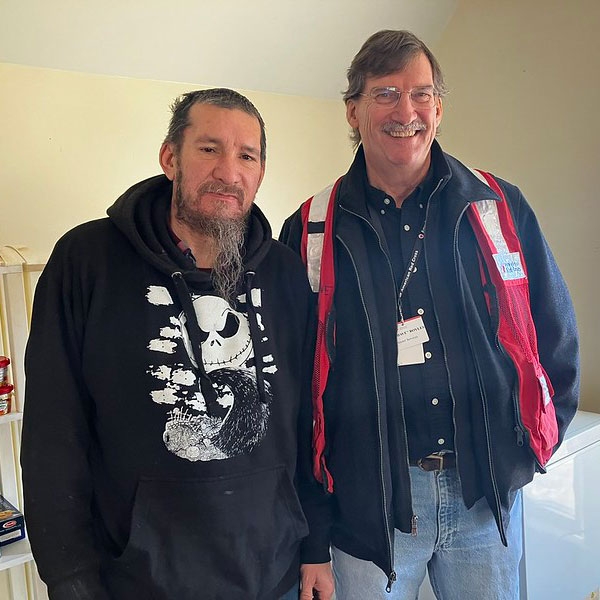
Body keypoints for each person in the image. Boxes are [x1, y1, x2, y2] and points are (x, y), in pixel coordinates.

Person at [280, 30, 580, 599]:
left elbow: (554, 331)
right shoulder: (311, 229)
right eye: (385, 94)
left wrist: (531, 447)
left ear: (438, 108)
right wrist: (314, 529)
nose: (406, 112)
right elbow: (295, 390)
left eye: (421, 94)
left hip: (483, 500)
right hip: (366, 514)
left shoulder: (497, 205)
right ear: (354, 110)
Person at [21, 88, 333, 600]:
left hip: (271, 574)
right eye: (209, 149)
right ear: (170, 158)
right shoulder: (87, 260)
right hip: (137, 580)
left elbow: (309, 420)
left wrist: (316, 544)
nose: (229, 172)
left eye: (246, 155)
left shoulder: (284, 273)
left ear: (259, 173)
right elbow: (54, 432)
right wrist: (69, 575)